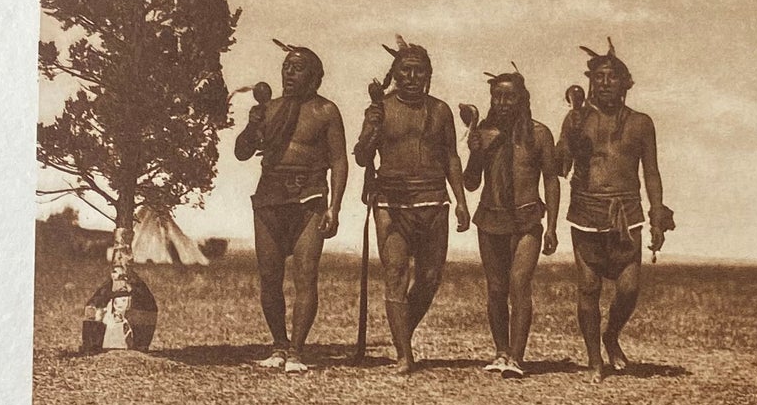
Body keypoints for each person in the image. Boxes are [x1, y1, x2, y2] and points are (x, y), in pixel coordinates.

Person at [557, 39, 676, 381]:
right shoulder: (576, 119)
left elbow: (650, 172)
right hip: (585, 212)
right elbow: (560, 166)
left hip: (627, 215)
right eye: (599, 78)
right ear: (590, 83)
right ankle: (595, 360)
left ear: (626, 83)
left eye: (612, 77)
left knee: (628, 289)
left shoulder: (641, 123)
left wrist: (657, 214)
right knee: (589, 289)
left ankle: (611, 335)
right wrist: (570, 139)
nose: (605, 83)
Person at [353, 38, 468, 375]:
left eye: (419, 71)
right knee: (396, 276)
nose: (412, 77)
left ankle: (401, 331)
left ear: (428, 75)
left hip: (434, 200)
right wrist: (373, 126)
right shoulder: (380, 109)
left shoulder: (441, 110)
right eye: (406, 70)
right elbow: (361, 156)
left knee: (430, 278)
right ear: (395, 74)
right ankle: (405, 354)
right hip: (391, 202)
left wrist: (461, 200)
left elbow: (451, 157)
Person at [233, 40, 347, 373]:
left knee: (306, 276)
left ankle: (297, 350)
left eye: (298, 69)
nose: (290, 74)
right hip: (269, 198)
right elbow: (241, 152)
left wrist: (335, 207)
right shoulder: (268, 110)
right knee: (269, 276)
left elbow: (339, 162)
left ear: (315, 77)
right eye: (286, 68)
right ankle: (279, 346)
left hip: (309, 199)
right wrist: (253, 125)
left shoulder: (326, 111)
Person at [461, 68, 559, 378]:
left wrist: (553, 226)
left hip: (528, 216)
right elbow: (471, 183)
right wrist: (475, 153)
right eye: (497, 96)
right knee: (496, 288)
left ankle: (516, 357)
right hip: (490, 217)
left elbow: (551, 181)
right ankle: (500, 352)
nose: (502, 102)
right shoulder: (485, 134)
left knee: (519, 284)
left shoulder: (539, 134)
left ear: (522, 99)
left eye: (509, 97)